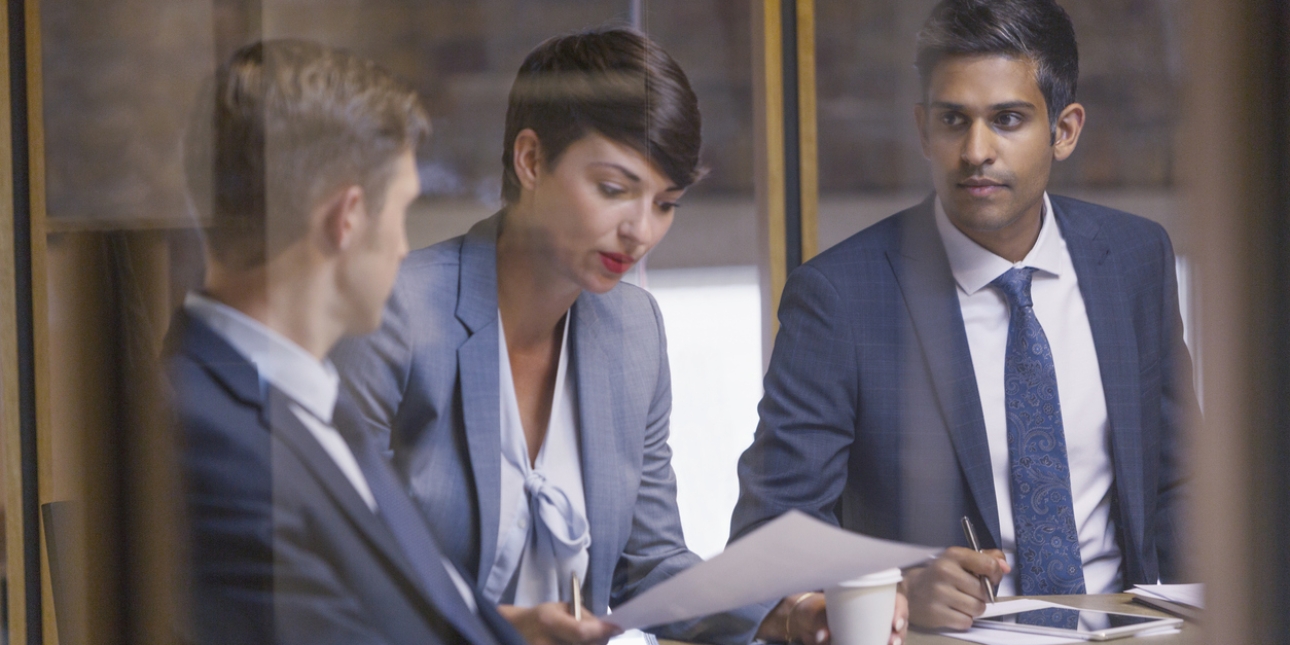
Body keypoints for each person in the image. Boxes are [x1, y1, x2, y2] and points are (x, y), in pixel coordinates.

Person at [332, 27, 902, 645]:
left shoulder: (633, 330)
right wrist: (501, 629)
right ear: (530, 160)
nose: (641, 232)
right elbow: (333, 583)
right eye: (614, 190)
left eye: (666, 203)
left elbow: (650, 565)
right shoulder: (395, 314)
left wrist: (785, 615)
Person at [731, 0, 1197, 634]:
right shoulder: (841, 297)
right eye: (954, 120)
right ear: (923, 130)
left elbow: (1181, 484)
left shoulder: (1135, 260)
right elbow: (769, 539)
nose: (976, 151)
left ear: (1065, 130)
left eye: (1007, 120)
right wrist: (894, 590)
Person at [166, 39, 525, 645]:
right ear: (348, 218)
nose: (405, 247)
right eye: (403, 212)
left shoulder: (298, 394)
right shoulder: (208, 444)